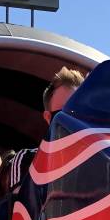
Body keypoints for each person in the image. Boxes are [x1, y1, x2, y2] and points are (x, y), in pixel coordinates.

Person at [6, 67, 88, 197]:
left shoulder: (105, 161)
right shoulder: (27, 160)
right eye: (62, 115)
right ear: (48, 117)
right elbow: (20, 209)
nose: (72, 121)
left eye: (79, 112)